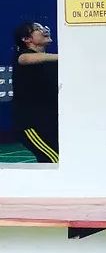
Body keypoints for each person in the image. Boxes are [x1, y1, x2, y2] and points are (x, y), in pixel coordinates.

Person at [11, 21, 60, 163]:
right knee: (55, 161)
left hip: (51, 122)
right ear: (26, 39)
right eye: (37, 29)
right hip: (32, 125)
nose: (44, 30)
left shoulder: (52, 63)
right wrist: (66, 57)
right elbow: (25, 59)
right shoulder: (23, 56)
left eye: (43, 27)